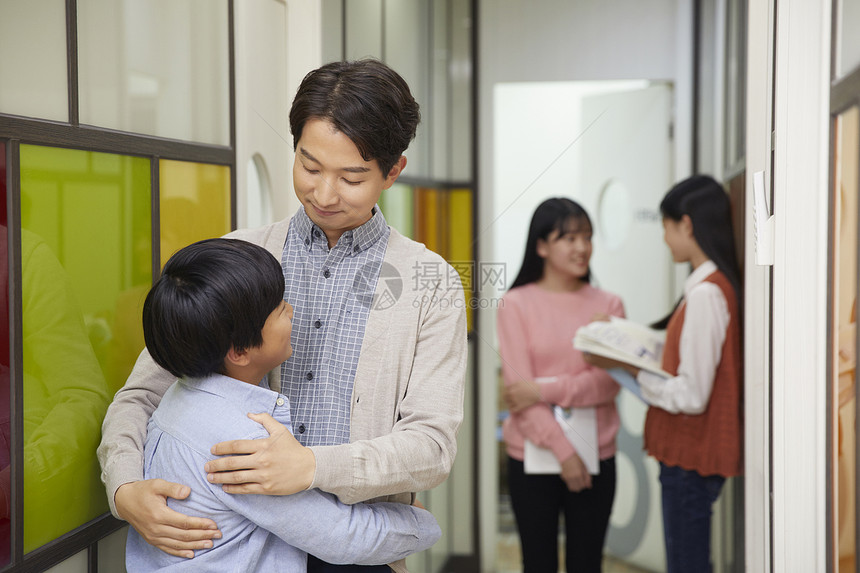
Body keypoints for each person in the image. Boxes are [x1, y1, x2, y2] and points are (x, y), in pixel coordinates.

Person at [97, 58, 467, 573]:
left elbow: (431, 448)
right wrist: (125, 487)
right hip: (239, 550)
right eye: (309, 166)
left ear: (393, 170)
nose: (324, 193)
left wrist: (313, 467)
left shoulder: (433, 282)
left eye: (352, 176)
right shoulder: (238, 255)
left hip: (362, 548)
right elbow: (141, 395)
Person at [126, 238, 441, 571]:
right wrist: (418, 522)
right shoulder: (240, 444)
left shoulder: (177, 401)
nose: (290, 310)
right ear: (239, 352)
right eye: (277, 309)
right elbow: (342, 536)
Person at [587, 175, 743, 573]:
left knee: (687, 564)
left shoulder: (707, 293)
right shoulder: (708, 286)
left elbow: (691, 395)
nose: (664, 238)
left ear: (686, 225)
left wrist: (628, 368)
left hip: (690, 457)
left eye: (666, 227)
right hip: (689, 456)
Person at [497, 198, 624, 573]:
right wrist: (564, 453)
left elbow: (607, 385)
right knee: (538, 563)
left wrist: (543, 388)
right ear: (541, 246)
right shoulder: (515, 304)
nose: (582, 247)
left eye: (587, 236)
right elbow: (518, 394)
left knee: (588, 563)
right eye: (569, 238)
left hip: (597, 453)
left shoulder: (609, 306)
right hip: (532, 455)